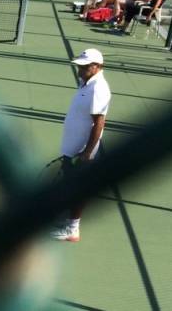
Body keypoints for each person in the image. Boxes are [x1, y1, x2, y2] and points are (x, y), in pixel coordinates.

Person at [51, 49, 111, 243]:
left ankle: (72, 230)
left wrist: (87, 152)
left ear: (97, 67)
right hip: (72, 147)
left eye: (84, 67)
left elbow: (99, 122)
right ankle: (68, 219)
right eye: (80, 66)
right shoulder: (86, 83)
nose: (80, 69)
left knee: (78, 189)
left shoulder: (99, 89)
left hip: (83, 151)